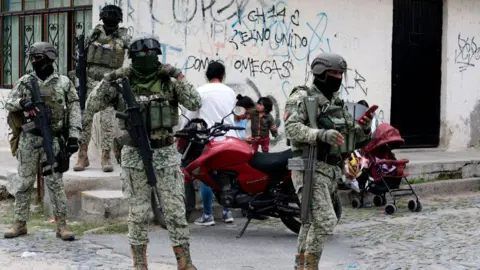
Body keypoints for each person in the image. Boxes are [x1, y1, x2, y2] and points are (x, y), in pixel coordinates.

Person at [84, 33, 200, 269]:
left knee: (176, 213)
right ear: (133, 57)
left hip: (165, 153)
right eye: (141, 55)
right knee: (138, 215)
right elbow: (91, 105)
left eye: (151, 54)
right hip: (135, 155)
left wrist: (179, 75)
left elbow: (195, 102)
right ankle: (139, 264)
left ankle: (185, 262)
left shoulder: (168, 80)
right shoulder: (122, 83)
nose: (147, 58)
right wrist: (109, 78)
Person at [284, 52, 372, 269]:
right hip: (309, 166)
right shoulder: (303, 97)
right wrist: (320, 134)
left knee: (312, 223)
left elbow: (352, 136)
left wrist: (365, 127)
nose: (338, 78)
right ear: (320, 73)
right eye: (334, 73)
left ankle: (301, 266)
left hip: (331, 170)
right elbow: (291, 128)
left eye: (341, 74)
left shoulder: (336, 102)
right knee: (324, 221)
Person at [4, 42, 81, 241]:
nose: (35, 62)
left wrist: (74, 136)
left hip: (54, 139)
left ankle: (62, 225)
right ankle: (20, 222)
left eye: (38, 58)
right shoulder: (25, 81)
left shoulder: (64, 82)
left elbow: (74, 110)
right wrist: (23, 103)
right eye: (33, 58)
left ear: (49, 58)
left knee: (55, 183)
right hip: (29, 138)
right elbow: (8, 102)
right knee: (24, 182)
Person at [73, 4, 131, 173]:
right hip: (90, 81)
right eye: (107, 19)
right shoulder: (93, 34)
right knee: (85, 119)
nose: (109, 23)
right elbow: (82, 56)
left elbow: (127, 45)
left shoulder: (123, 35)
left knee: (107, 119)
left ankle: (106, 156)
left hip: (110, 83)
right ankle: (82, 155)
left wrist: (115, 36)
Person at [183, 61, 236, 226]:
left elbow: (189, 117)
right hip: (230, 139)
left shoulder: (200, 91)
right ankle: (227, 212)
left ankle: (207, 215)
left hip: (209, 140)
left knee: (207, 176)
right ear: (222, 75)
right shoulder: (230, 92)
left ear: (207, 75)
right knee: (227, 175)